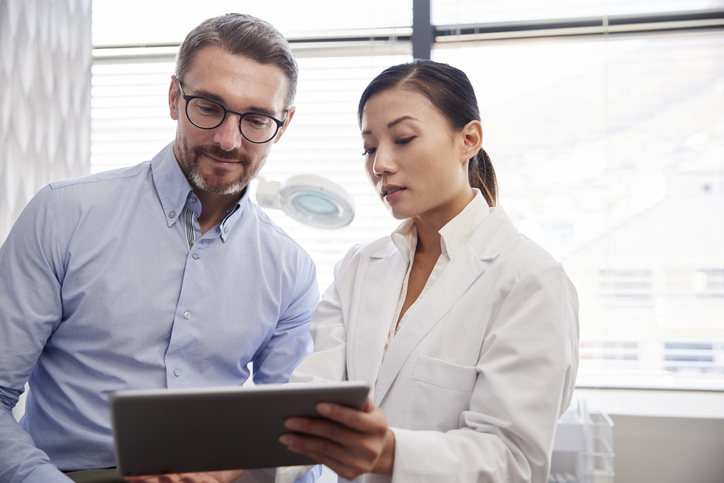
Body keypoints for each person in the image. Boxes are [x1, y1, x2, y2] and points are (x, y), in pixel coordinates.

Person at [0, 13, 321, 483]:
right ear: (174, 98)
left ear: (283, 124)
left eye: (255, 119)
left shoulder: (291, 268)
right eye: (209, 107)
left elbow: (296, 435)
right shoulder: (63, 214)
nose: (228, 140)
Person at [275, 60, 580, 483]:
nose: (380, 163)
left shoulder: (530, 279)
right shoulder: (358, 267)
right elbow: (310, 401)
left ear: (468, 139)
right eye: (369, 147)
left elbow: (513, 460)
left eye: (403, 139)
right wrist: (219, 470)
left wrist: (389, 453)